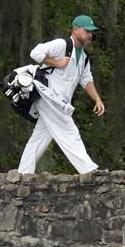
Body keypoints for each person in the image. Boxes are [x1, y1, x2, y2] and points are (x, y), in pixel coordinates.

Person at [18, 15, 106, 174]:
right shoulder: (61, 44)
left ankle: (23, 174)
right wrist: (57, 63)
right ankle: (89, 171)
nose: (90, 35)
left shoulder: (84, 57)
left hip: (60, 101)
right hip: (48, 96)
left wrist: (97, 98)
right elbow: (36, 53)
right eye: (87, 31)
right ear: (76, 30)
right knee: (69, 131)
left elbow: (87, 80)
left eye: (91, 32)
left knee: (40, 138)